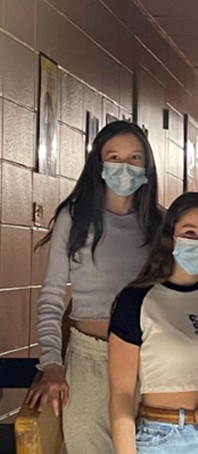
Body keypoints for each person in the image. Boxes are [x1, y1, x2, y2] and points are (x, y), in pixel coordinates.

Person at [24, 121, 162, 453]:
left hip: (149, 360)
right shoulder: (75, 218)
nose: (124, 167)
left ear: (147, 166)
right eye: (113, 157)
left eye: (134, 158)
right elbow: (52, 298)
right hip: (88, 362)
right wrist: (52, 364)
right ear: (99, 164)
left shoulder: (160, 224)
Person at [108, 192, 198, 453]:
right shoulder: (136, 300)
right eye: (190, 233)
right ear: (170, 237)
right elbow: (121, 395)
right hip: (161, 438)